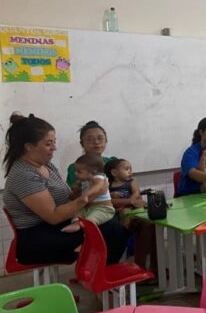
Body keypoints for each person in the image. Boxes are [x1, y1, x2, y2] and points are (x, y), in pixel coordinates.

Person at [3, 113, 128, 265]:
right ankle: (98, 273)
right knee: (112, 230)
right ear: (29, 146)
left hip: (55, 226)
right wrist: (91, 194)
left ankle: (98, 271)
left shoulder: (46, 165)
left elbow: (68, 197)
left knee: (114, 227)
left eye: (54, 142)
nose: (54, 148)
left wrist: (78, 191)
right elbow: (53, 216)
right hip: (37, 238)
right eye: (48, 144)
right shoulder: (24, 174)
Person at [105, 157, 158, 272]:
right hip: (121, 212)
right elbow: (107, 201)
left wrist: (130, 201)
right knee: (125, 213)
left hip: (134, 208)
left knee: (149, 220)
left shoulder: (131, 182)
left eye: (130, 169)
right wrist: (122, 200)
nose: (130, 171)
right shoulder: (108, 185)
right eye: (126, 169)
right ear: (114, 172)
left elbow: (136, 194)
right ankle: (127, 231)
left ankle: (151, 266)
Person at [62, 154, 116, 233]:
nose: (75, 173)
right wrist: (76, 189)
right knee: (77, 213)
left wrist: (86, 194)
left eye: (79, 171)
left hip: (103, 208)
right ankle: (76, 223)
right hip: (88, 208)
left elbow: (98, 186)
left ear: (93, 172)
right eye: (76, 171)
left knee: (92, 219)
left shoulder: (98, 178)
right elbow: (74, 194)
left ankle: (81, 225)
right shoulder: (84, 180)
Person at [66, 121, 116, 187]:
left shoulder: (113, 162)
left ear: (106, 141)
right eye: (90, 139)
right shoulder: (75, 168)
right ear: (82, 143)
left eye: (100, 138)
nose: (96, 142)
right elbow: (72, 191)